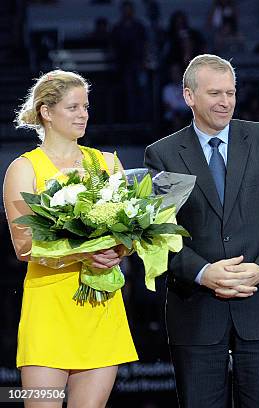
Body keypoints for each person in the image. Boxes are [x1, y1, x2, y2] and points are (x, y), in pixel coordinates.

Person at [144, 54, 259, 408]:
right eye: (215, 93)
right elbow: (157, 233)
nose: (225, 101)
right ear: (189, 96)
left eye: (230, 92)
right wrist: (203, 272)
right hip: (196, 311)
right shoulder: (163, 154)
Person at [3, 70, 137, 407]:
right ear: (46, 112)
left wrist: (119, 250)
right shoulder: (24, 168)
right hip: (48, 310)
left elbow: (130, 235)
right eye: (73, 107)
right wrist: (84, 253)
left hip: (101, 307)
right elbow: (24, 246)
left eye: (86, 107)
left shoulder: (107, 162)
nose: (83, 115)